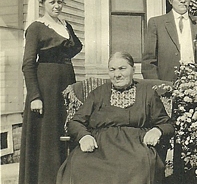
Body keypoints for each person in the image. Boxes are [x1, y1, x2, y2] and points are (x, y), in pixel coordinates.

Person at [57, 52, 175, 184]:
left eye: (122, 68)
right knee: (79, 164)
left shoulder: (147, 93)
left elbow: (167, 124)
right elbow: (75, 121)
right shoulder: (98, 93)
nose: (117, 74)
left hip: (136, 147)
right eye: (112, 70)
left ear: (133, 70)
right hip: (99, 148)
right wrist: (84, 136)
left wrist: (157, 131)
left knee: (139, 166)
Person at [19, 0, 82, 184]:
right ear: (43, 3)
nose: (57, 6)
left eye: (60, 2)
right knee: (48, 137)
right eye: (52, 2)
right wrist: (35, 96)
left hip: (66, 85)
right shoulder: (36, 28)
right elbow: (28, 64)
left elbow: (74, 48)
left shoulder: (65, 26)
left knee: (65, 132)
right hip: (46, 88)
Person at [142, 0, 197, 82]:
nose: (183, 0)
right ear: (170, 0)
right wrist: (158, 88)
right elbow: (148, 62)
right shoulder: (157, 23)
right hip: (167, 86)